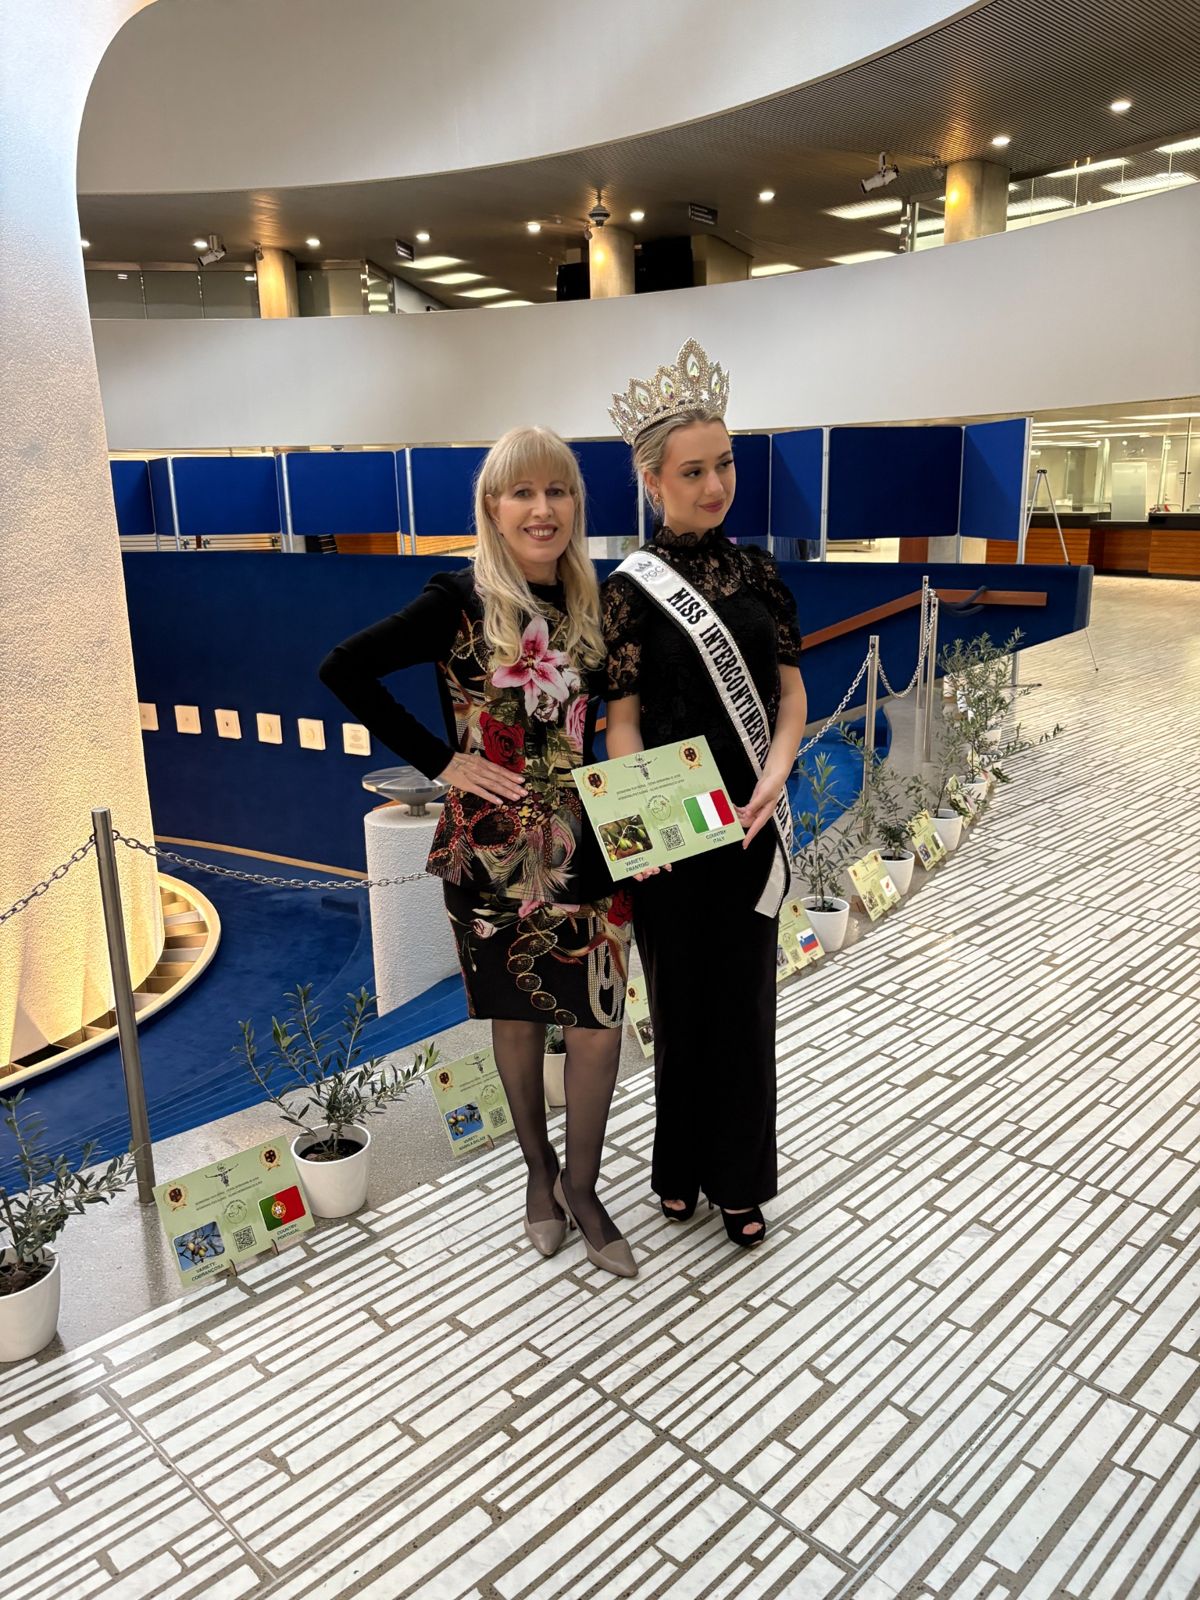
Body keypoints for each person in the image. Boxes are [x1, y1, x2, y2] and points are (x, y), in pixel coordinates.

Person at [319, 426, 637, 1278]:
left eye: (558, 491)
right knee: (519, 1017)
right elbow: (342, 668)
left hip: (590, 841)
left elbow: (619, 726)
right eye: (522, 492)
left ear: (576, 504)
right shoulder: (458, 600)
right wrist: (441, 760)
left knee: (600, 1024)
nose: (542, 509)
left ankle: (584, 1185)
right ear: (493, 508)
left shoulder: (597, 603)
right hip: (490, 853)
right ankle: (539, 1173)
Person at [602, 340, 807, 1248]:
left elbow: (790, 696)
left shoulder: (761, 574)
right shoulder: (627, 592)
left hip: (753, 821)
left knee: (745, 1005)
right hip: (673, 827)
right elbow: (621, 723)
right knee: (678, 1004)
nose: (716, 484)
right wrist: (641, 830)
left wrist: (777, 772)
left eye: (724, 464)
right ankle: (677, 1165)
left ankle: (740, 1178)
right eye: (694, 471)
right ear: (653, 481)